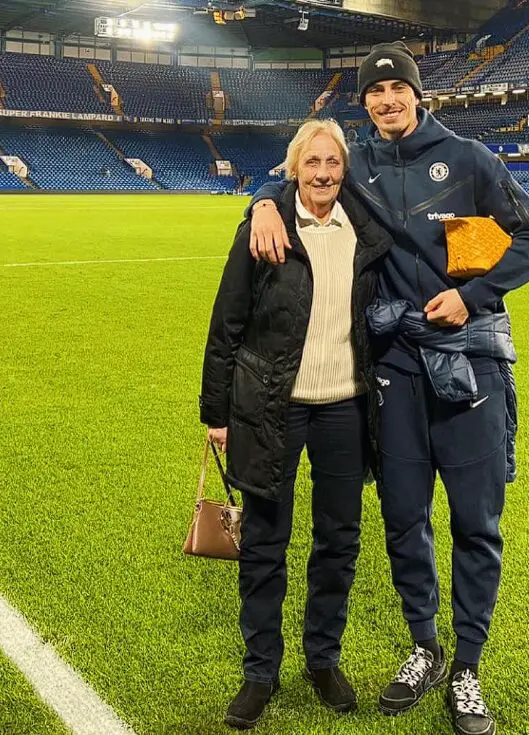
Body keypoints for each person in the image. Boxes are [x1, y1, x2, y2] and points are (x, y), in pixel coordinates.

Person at [247, 41, 529, 735]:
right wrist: (262, 202)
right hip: (395, 370)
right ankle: (426, 644)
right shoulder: (360, 169)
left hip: (470, 366)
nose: (387, 100)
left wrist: (474, 296)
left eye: (397, 89)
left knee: (476, 522)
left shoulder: (471, 160)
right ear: (365, 103)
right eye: (374, 92)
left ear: (419, 94)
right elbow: (302, 176)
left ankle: (467, 665)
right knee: (404, 519)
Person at [199, 119, 392, 730]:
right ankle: (261, 672)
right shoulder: (264, 229)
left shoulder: (363, 229)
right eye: (312, 163)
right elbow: (227, 323)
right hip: (271, 406)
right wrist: (216, 412)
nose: (324, 174)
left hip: (345, 406)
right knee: (265, 543)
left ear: (344, 168)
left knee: (338, 540)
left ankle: (323, 660)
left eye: (333, 162)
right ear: (294, 167)